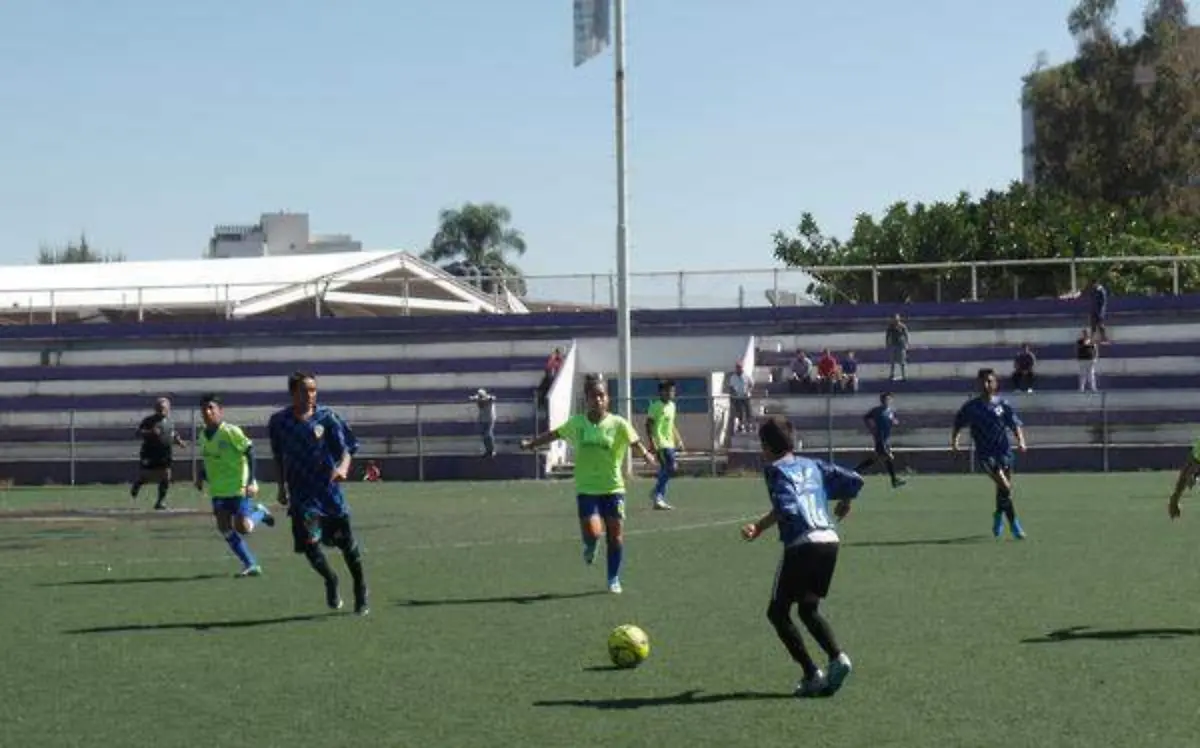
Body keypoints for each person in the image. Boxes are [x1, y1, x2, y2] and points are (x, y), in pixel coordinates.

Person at [741, 416, 861, 698]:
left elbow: (787, 506)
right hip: (829, 540)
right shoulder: (813, 464)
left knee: (777, 612)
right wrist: (846, 500)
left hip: (803, 542)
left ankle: (811, 674)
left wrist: (766, 526)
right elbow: (853, 480)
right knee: (807, 609)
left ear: (767, 446)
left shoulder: (774, 471)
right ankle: (837, 658)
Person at [520, 378, 657, 594]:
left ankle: (613, 578)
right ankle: (591, 545)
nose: (599, 400)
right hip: (587, 488)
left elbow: (635, 443)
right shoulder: (578, 423)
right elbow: (554, 434)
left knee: (616, 535)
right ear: (588, 399)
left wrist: (648, 455)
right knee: (594, 532)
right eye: (594, 396)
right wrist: (531, 444)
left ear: (608, 399)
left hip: (613, 488)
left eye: (602, 395)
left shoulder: (618, 423)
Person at [268, 372, 370, 616]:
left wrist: (343, 468)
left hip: (329, 493)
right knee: (310, 545)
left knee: (345, 543)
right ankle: (331, 579)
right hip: (302, 495)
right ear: (293, 393)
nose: (310, 395)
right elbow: (278, 456)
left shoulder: (327, 417)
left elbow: (347, 448)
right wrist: (281, 486)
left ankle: (360, 587)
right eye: (304, 390)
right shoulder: (279, 422)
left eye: (313, 390)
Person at [194, 394, 275, 577]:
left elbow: (250, 452)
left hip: (238, 487)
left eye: (211, 408)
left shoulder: (230, 431)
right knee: (224, 527)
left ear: (219, 411)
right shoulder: (203, 436)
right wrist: (201, 476)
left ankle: (260, 512)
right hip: (218, 489)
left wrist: (251, 481)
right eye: (204, 409)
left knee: (242, 528)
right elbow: (211, 460)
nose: (207, 412)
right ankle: (251, 564)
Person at [951, 368, 1028, 539]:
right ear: (978, 383)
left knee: (1003, 490)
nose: (985, 384)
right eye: (982, 381)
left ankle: (998, 515)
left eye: (989, 381)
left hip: (1004, 451)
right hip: (986, 454)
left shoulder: (1003, 404)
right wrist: (955, 442)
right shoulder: (972, 407)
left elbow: (1015, 424)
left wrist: (1021, 441)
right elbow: (958, 423)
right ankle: (1015, 524)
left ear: (995, 383)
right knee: (1006, 486)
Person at [131, 397, 187, 510]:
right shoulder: (149, 421)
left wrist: (179, 441)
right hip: (150, 452)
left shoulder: (169, 422)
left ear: (168, 409)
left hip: (165, 453)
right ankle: (138, 484)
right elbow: (137, 433)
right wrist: (149, 432)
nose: (162, 410)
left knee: (166, 476)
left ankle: (160, 502)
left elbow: (173, 433)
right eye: (159, 408)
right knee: (146, 476)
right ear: (155, 409)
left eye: (164, 408)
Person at [646, 379, 684, 511]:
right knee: (671, 467)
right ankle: (657, 495)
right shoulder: (655, 406)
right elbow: (648, 425)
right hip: (661, 443)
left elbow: (671, 425)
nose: (671, 393)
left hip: (670, 443)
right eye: (668, 391)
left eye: (672, 391)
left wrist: (679, 439)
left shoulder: (672, 406)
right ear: (661, 392)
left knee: (667, 469)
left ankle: (657, 495)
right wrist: (652, 443)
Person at [854, 393, 905, 489]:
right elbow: (866, 417)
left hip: (885, 438)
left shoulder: (890, 411)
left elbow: (891, 419)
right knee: (888, 457)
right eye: (885, 399)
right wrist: (871, 427)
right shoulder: (877, 411)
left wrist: (894, 421)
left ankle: (855, 471)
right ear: (882, 401)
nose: (887, 401)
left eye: (889, 399)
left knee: (876, 458)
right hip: (879, 438)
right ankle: (894, 480)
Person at [470, 388, 497, 458]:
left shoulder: (489, 399)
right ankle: (487, 450)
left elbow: (493, 398)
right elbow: (472, 398)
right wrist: (475, 398)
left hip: (490, 419)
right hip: (482, 419)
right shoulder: (478, 399)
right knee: (484, 436)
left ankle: (492, 450)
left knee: (488, 434)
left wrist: (486, 399)